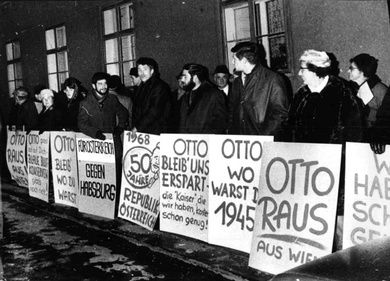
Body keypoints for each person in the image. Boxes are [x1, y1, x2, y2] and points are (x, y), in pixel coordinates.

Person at [283, 49, 365, 144]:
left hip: (331, 156)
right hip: (303, 156)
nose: (299, 73)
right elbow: (288, 126)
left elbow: (353, 133)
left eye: (302, 69)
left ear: (314, 70)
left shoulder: (342, 92)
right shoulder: (301, 93)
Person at [227, 41, 289, 140]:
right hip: (239, 143)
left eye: (234, 59)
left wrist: (263, 138)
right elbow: (231, 111)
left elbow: (280, 114)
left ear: (245, 60)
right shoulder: (236, 82)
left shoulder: (273, 79)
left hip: (262, 143)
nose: (232, 62)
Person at [78, 72, 129, 187]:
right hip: (96, 145)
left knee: (115, 174)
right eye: (100, 84)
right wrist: (95, 132)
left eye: (105, 83)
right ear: (93, 86)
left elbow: (123, 112)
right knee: (100, 177)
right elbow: (81, 124)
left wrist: (120, 126)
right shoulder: (85, 103)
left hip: (112, 143)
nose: (103, 87)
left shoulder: (112, 99)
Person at [179, 63, 227, 134]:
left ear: (195, 77)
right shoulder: (185, 96)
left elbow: (220, 122)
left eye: (185, 77)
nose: (182, 80)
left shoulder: (214, 94)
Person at [348, 53, 388, 133]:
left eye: (351, 68)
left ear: (362, 71)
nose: (348, 71)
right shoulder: (348, 88)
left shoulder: (380, 90)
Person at [132, 57, 172, 134]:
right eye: (139, 70)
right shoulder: (142, 87)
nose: (142, 73)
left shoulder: (160, 87)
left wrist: (138, 127)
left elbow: (155, 110)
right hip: (144, 130)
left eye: (145, 69)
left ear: (152, 71)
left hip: (156, 131)